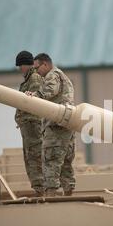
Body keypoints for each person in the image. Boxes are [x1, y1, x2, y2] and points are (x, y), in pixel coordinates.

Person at [26, 53, 76, 196]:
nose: (36, 72)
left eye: (37, 68)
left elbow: (50, 90)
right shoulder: (62, 75)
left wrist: (35, 96)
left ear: (45, 64)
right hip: (67, 123)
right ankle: (68, 192)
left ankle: (51, 194)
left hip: (56, 125)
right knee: (66, 160)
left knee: (51, 159)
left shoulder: (52, 75)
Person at [14, 51, 44, 196]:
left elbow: (34, 102)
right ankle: (38, 188)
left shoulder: (34, 79)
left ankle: (41, 189)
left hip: (33, 124)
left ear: (26, 64)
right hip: (28, 125)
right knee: (30, 156)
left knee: (35, 156)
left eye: (21, 66)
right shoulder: (29, 79)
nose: (20, 69)